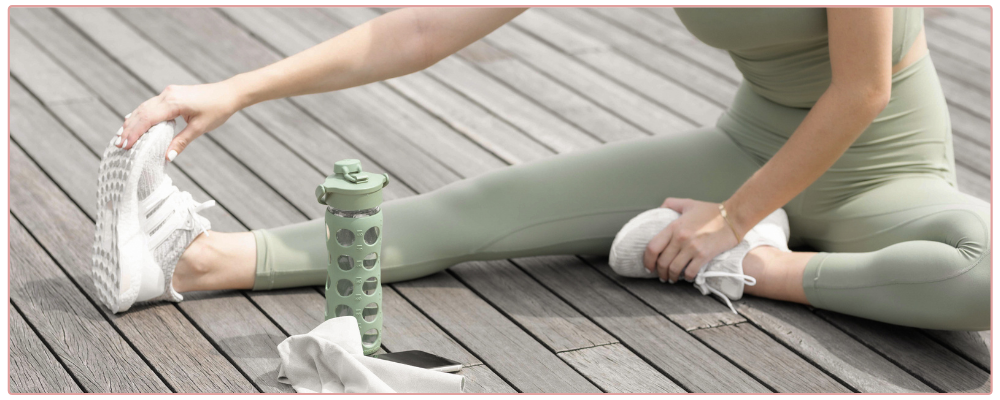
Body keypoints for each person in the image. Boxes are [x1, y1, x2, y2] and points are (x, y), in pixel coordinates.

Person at [95, 7, 989, 330]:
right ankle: (192, 261)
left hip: (883, 172)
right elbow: (421, 30)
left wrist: (734, 232)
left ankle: (766, 266)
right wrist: (237, 88)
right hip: (748, 148)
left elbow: (863, 89)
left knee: (980, 279)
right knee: (486, 206)